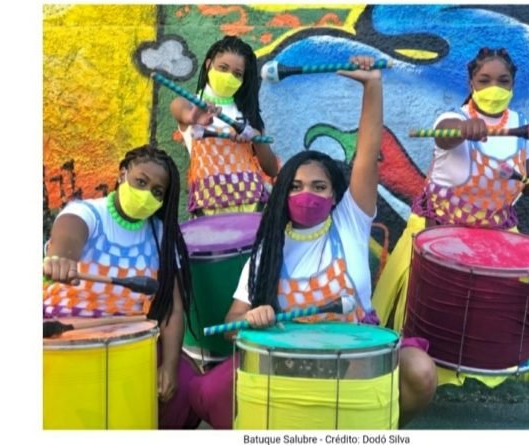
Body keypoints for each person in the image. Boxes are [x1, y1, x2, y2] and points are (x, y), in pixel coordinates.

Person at [184, 56, 437, 429]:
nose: (308, 194)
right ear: (283, 194)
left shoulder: (350, 223)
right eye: (297, 187)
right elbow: (232, 322)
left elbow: (368, 153)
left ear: (335, 196)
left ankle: (377, 428)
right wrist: (250, 320)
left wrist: (372, 86)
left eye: (319, 187)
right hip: (292, 362)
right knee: (216, 392)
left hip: (356, 359)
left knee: (420, 371)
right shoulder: (268, 250)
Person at [371, 47, 529, 429]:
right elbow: (447, 137)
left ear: (513, 85)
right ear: (471, 82)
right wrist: (462, 130)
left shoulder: (523, 127)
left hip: (497, 236)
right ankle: (386, 397)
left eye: (503, 80)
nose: (493, 87)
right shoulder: (451, 119)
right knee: (408, 316)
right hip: (438, 233)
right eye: (484, 80)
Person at [43, 145, 200, 429]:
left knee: (188, 384)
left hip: (129, 343)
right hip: (64, 334)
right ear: (122, 174)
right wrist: (62, 258)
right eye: (141, 182)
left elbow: (173, 309)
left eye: (157, 191)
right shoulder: (87, 212)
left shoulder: (162, 235)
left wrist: (169, 366)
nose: (147, 194)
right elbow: (68, 234)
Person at [170, 35, 279, 216]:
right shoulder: (189, 105)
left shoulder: (248, 114)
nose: (229, 77)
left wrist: (256, 138)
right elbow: (179, 109)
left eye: (237, 74)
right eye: (223, 68)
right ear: (208, 65)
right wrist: (192, 117)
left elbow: (272, 169)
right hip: (208, 206)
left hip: (251, 204)